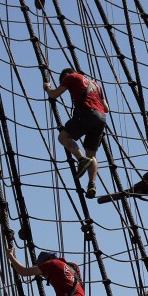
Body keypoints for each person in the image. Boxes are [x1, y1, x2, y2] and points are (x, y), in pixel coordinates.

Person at [44, 68, 109, 199]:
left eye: (63, 81)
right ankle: (92, 184)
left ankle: (81, 159)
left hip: (87, 113)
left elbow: (54, 94)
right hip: (101, 118)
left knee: (63, 137)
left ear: (66, 75)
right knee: (92, 154)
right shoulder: (95, 84)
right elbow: (106, 108)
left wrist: (47, 88)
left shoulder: (71, 77)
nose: (64, 83)